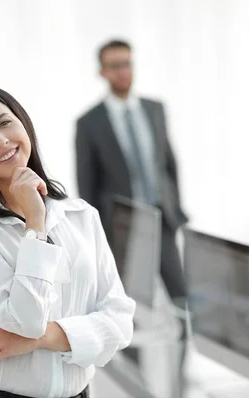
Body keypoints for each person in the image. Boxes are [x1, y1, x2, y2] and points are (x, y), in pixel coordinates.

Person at [0, 84, 135, 398]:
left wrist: (43, 339)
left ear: (23, 123)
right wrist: (35, 221)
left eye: (4, 123)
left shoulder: (80, 215)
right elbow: (23, 319)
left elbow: (120, 322)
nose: (0, 140)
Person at [75, 39, 189, 300]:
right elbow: (86, 182)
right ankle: (129, 342)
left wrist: (177, 209)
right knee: (127, 299)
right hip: (121, 224)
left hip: (162, 216)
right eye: (114, 66)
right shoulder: (89, 123)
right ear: (102, 72)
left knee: (179, 293)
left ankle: (184, 339)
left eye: (126, 63)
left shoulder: (155, 108)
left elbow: (169, 165)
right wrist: (96, 233)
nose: (122, 71)